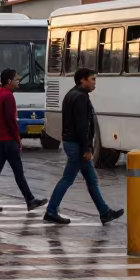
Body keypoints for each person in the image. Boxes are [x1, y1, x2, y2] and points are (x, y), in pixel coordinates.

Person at [44, 67, 124, 226]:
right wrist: (87, 148)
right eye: (92, 79)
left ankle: (104, 212)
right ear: (83, 80)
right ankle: (51, 211)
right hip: (76, 145)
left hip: (73, 143)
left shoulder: (72, 94)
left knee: (92, 179)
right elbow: (82, 126)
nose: (95, 83)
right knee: (68, 179)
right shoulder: (80, 97)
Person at [0, 68, 46, 213]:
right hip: (8, 140)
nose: (18, 81)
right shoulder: (8, 97)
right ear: (9, 81)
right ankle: (30, 200)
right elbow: (11, 122)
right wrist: (18, 139)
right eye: (16, 79)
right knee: (18, 172)